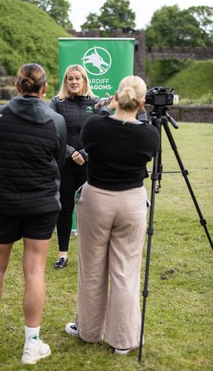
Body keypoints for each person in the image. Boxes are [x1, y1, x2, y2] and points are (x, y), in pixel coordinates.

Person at [0, 63, 67, 365]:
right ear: (44, 89)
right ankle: (31, 344)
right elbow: (57, 160)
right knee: (34, 271)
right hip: (41, 204)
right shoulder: (56, 120)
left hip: (4, 203)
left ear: (18, 86)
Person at [65, 75, 160, 355]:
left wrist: (104, 107)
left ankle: (89, 331)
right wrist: (138, 111)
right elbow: (142, 134)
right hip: (131, 202)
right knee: (125, 272)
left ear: (116, 96)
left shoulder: (95, 125)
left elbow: (95, 119)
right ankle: (122, 338)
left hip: (96, 200)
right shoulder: (150, 133)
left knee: (92, 269)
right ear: (142, 103)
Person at [49, 64, 120, 269]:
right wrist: (71, 152)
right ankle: (63, 254)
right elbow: (51, 130)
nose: (73, 82)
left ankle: (90, 255)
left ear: (85, 81)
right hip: (65, 164)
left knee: (91, 210)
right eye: (70, 79)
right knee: (64, 209)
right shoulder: (57, 102)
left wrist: (86, 154)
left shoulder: (97, 103)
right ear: (65, 82)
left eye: (77, 78)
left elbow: (104, 133)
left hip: (90, 165)